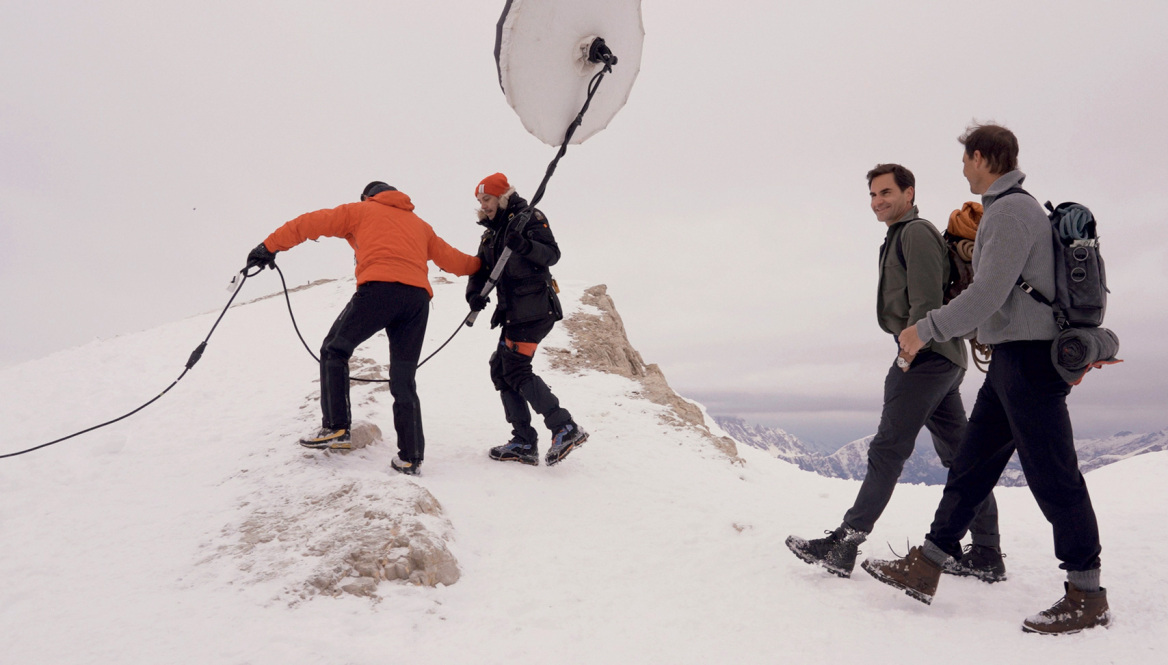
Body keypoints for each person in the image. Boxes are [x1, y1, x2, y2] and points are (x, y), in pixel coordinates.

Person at [862, 124, 1109, 635]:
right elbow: (998, 301)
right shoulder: (1009, 209)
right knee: (971, 465)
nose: (963, 171)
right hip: (1011, 362)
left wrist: (924, 330)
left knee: (1054, 475)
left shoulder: (1012, 211)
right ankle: (929, 563)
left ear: (980, 157)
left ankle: (1086, 593)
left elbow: (989, 294)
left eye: (965, 161)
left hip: (1030, 363)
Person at [786, 164, 1003, 581]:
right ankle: (988, 554)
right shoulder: (899, 235)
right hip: (944, 358)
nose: (877, 201)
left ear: (909, 192)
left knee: (887, 451)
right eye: (872, 194)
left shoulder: (916, 233)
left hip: (926, 356)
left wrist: (908, 354)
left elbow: (924, 300)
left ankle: (845, 544)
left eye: (886, 192)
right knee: (963, 459)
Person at [245, 181, 481, 476]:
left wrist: (267, 247)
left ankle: (336, 427)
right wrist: (488, 260)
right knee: (403, 378)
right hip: (416, 301)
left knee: (334, 349)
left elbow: (308, 223)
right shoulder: (420, 226)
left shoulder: (361, 211)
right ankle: (411, 456)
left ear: (369, 197)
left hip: (380, 290)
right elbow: (459, 263)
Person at [466, 173, 587, 467]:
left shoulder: (528, 217)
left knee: (516, 369)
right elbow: (481, 270)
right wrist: (474, 295)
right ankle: (523, 441)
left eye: (488, 199)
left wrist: (524, 246)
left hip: (534, 309)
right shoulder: (491, 233)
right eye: (480, 200)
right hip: (512, 312)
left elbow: (552, 254)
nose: (484, 205)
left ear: (502, 196)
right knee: (501, 368)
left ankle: (564, 427)